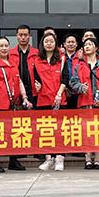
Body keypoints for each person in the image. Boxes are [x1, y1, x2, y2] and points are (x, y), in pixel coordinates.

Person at [0, 37, 33, 172]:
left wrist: (25, 97)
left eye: (6, 45)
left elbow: (19, 81)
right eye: (1, 46)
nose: (4, 48)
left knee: (13, 132)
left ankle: (13, 160)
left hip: (13, 104)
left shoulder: (12, 63)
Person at [70, 37, 99, 169]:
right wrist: (80, 87)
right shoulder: (79, 66)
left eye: (90, 44)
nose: (87, 46)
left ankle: (97, 159)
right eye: (85, 45)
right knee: (86, 131)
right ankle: (88, 158)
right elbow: (73, 82)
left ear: (96, 48)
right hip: (85, 102)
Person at [33, 33, 68, 171]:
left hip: (59, 99)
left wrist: (59, 94)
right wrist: (37, 86)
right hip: (43, 100)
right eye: (46, 41)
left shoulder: (62, 59)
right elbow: (36, 79)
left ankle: (59, 158)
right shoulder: (37, 61)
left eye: (51, 41)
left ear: (55, 44)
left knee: (60, 130)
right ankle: (49, 158)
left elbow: (65, 79)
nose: (48, 44)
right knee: (46, 130)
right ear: (42, 44)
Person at [9, 24, 39, 108]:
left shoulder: (37, 53)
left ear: (29, 36)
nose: (23, 37)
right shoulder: (10, 54)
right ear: (17, 36)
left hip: (33, 90)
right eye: (20, 35)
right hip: (16, 90)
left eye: (25, 35)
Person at [62, 33, 79, 109]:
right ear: (64, 44)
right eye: (68, 42)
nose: (71, 44)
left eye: (73, 42)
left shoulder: (81, 57)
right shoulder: (60, 57)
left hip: (78, 92)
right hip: (64, 91)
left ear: (76, 44)